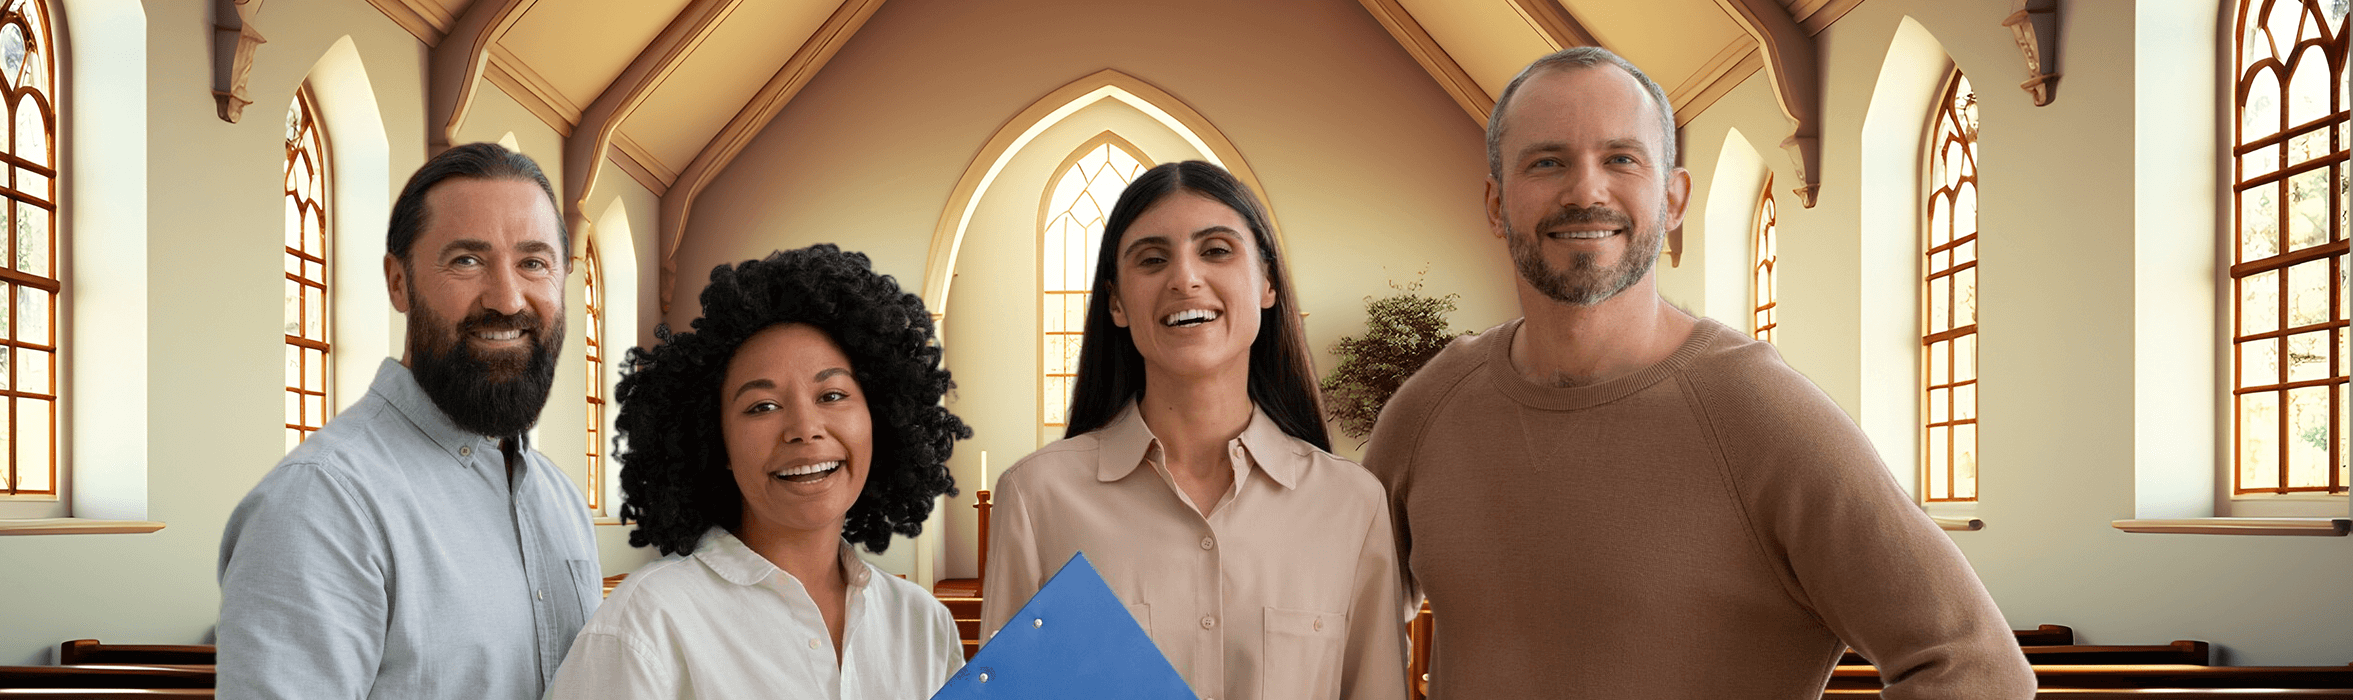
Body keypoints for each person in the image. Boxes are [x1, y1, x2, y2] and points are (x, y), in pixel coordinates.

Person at [1361, 47, 2036, 698]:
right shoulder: (1430, 406)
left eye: (1621, 158)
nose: (1585, 189)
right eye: (1545, 162)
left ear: (1673, 199)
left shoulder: (1760, 414)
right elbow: (1331, 622)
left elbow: (1972, 667)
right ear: (1494, 203)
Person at [982, 161, 1407, 700]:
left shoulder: (1352, 505)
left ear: (1268, 283)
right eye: (1153, 260)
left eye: (1216, 250)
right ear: (1116, 302)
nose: (1184, 278)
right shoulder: (1037, 499)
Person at [217, 142, 599, 700]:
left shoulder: (561, 499)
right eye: (467, 260)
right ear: (399, 283)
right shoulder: (322, 503)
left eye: (533, 263)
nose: (507, 298)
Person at [549, 244, 971, 699]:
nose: (804, 430)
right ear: (718, 441)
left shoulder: (924, 625)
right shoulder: (648, 624)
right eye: (762, 406)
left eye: (831, 395)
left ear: (880, 417)